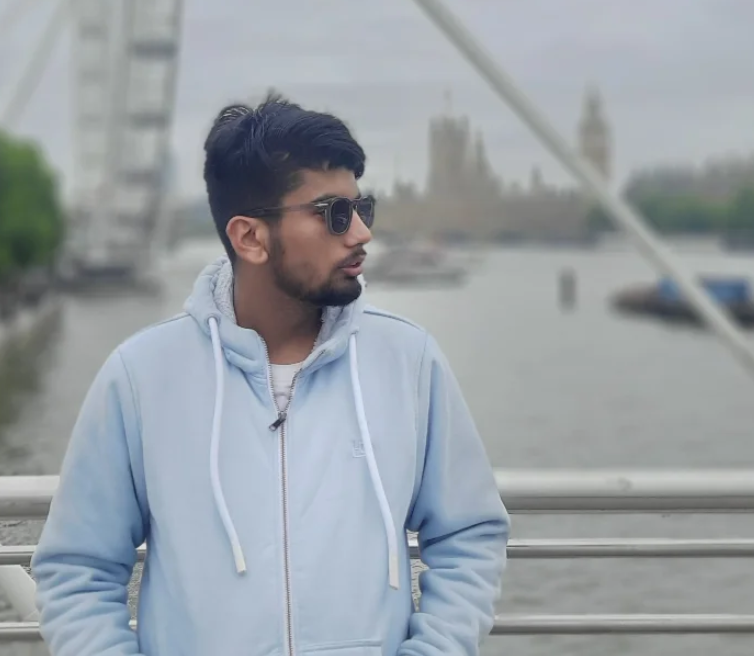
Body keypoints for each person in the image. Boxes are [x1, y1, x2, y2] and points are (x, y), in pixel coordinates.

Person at [33, 93, 509, 655]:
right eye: (333, 213)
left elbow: (468, 537)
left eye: (363, 208)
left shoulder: (409, 361)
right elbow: (78, 571)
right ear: (250, 237)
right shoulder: (140, 378)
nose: (360, 234)